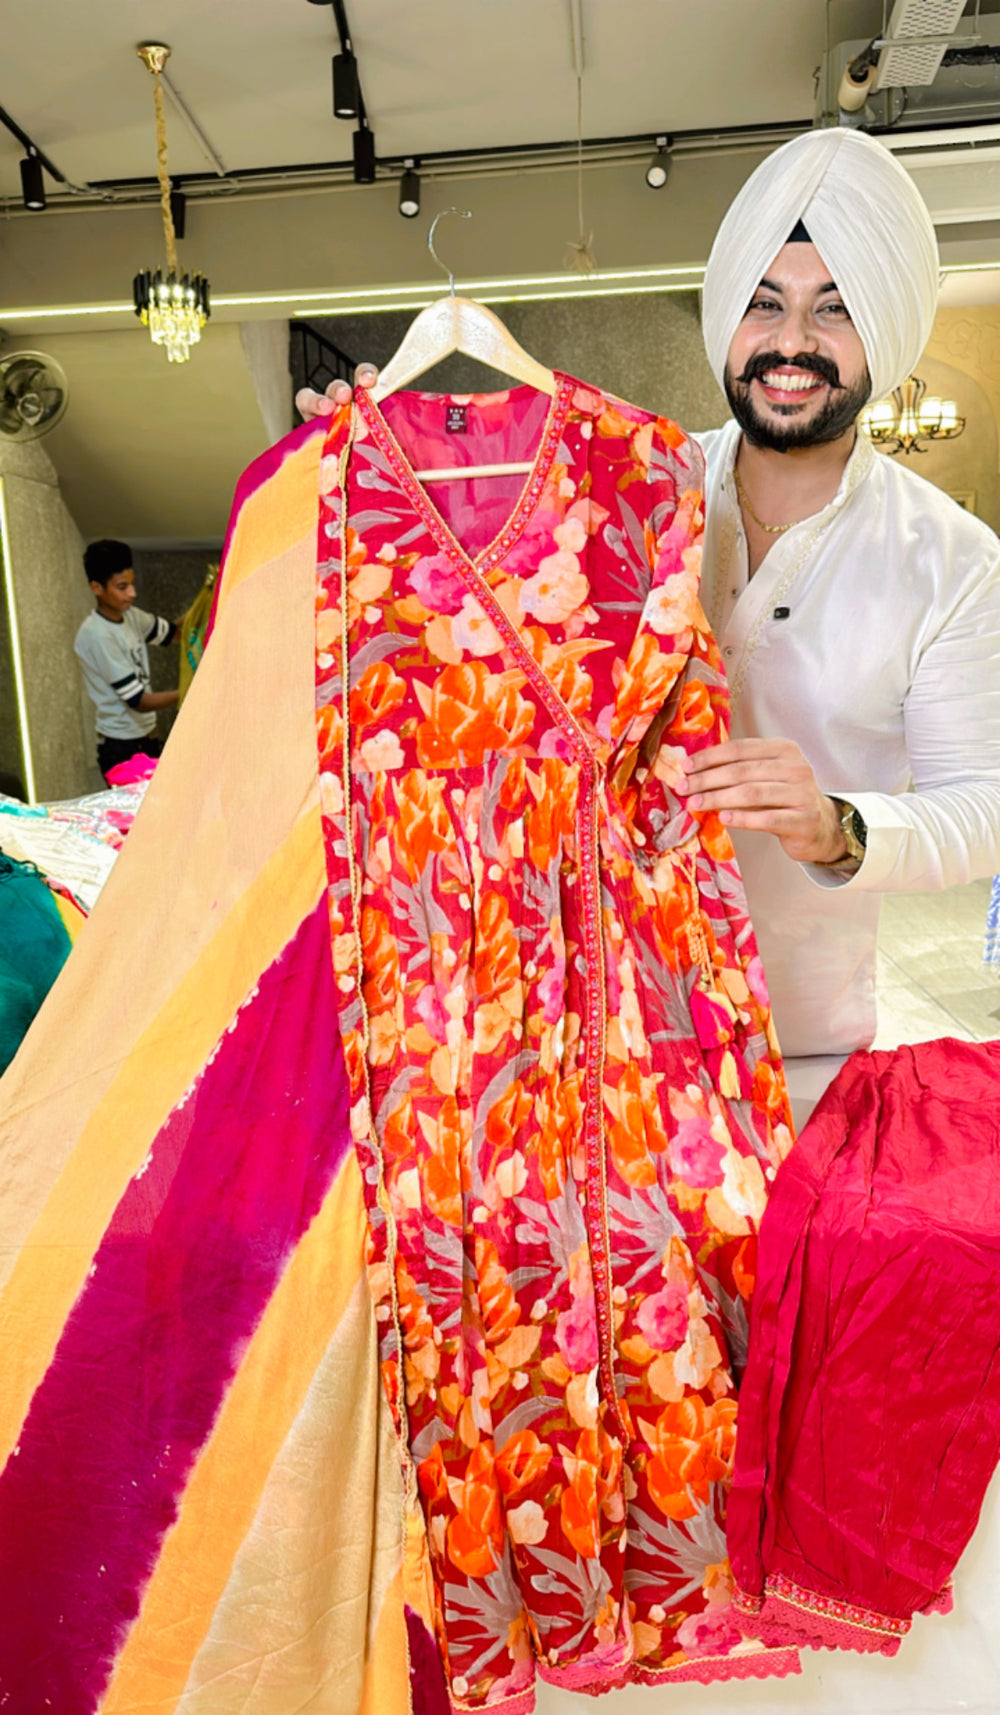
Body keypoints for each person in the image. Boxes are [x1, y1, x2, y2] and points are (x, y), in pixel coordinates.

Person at [300, 128, 1000, 1120]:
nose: (790, 342)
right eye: (765, 302)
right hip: (582, 1030)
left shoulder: (951, 560)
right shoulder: (622, 489)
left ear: (882, 326)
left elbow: (983, 811)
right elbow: (462, 605)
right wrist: (368, 475)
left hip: (796, 1041)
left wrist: (836, 826)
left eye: (834, 309)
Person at [75, 539, 180, 784]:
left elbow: (173, 634)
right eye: (122, 587)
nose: (132, 593)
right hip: (121, 748)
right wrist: (188, 691)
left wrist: (205, 602)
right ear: (97, 587)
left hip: (147, 738)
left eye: (132, 584)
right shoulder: (98, 634)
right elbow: (138, 701)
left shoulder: (130, 616)